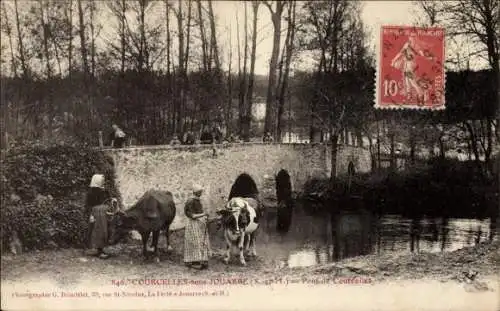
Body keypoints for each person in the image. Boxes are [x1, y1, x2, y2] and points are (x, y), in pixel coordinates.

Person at [391, 31, 436, 103]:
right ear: (409, 37)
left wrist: (429, 58)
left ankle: (421, 93)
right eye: (411, 37)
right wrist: (394, 60)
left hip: (411, 65)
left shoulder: (415, 46)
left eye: (413, 37)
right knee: (407, 80)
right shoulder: (407, 45)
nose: (412, 38)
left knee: (411, 80)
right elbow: (401, 53)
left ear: (415, 38)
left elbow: (422, 54)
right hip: (407, 64)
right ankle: (409, 97)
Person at [183, 184, 210, 270]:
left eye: (201, 191)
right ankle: (194, 261)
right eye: (200, 192)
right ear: (196, 192)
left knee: (202, 241)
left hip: (199, 223)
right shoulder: (190, 201)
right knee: (195, 242)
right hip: (193, 224)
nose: (201, 193)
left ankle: (201, 259)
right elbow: (192, 216)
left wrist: (204, 217)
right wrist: (204, 214)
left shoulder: (197, 200)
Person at [85, 174, 112, 259]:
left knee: (104, 231)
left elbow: (108, 200)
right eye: (101, 180)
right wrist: (91, 215)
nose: (103, 182)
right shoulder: (91, 192)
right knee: (97, 231)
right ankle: (97, 250)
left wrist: (110, 203)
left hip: (104, 214)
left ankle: (101, 249)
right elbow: (88, 205)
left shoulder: (104, 190)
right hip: (97, 214)